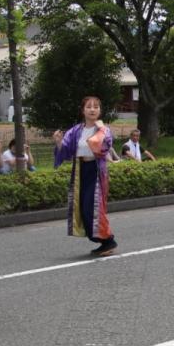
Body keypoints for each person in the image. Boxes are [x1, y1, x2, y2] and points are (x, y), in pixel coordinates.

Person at [53, 96, 119, 257]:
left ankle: (108, 240)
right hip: (80, 171)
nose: (92, 110)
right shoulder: (76, 130)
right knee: (81, 207)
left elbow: (102, 146)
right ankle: (102, 240)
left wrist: (101, 129)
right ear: (83, 110)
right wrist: (59, 142)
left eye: (96, 107)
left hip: (96, 171)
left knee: (93, 207)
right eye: (89, 107)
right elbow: (67, 151)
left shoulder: (103, 129)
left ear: (100, 111)